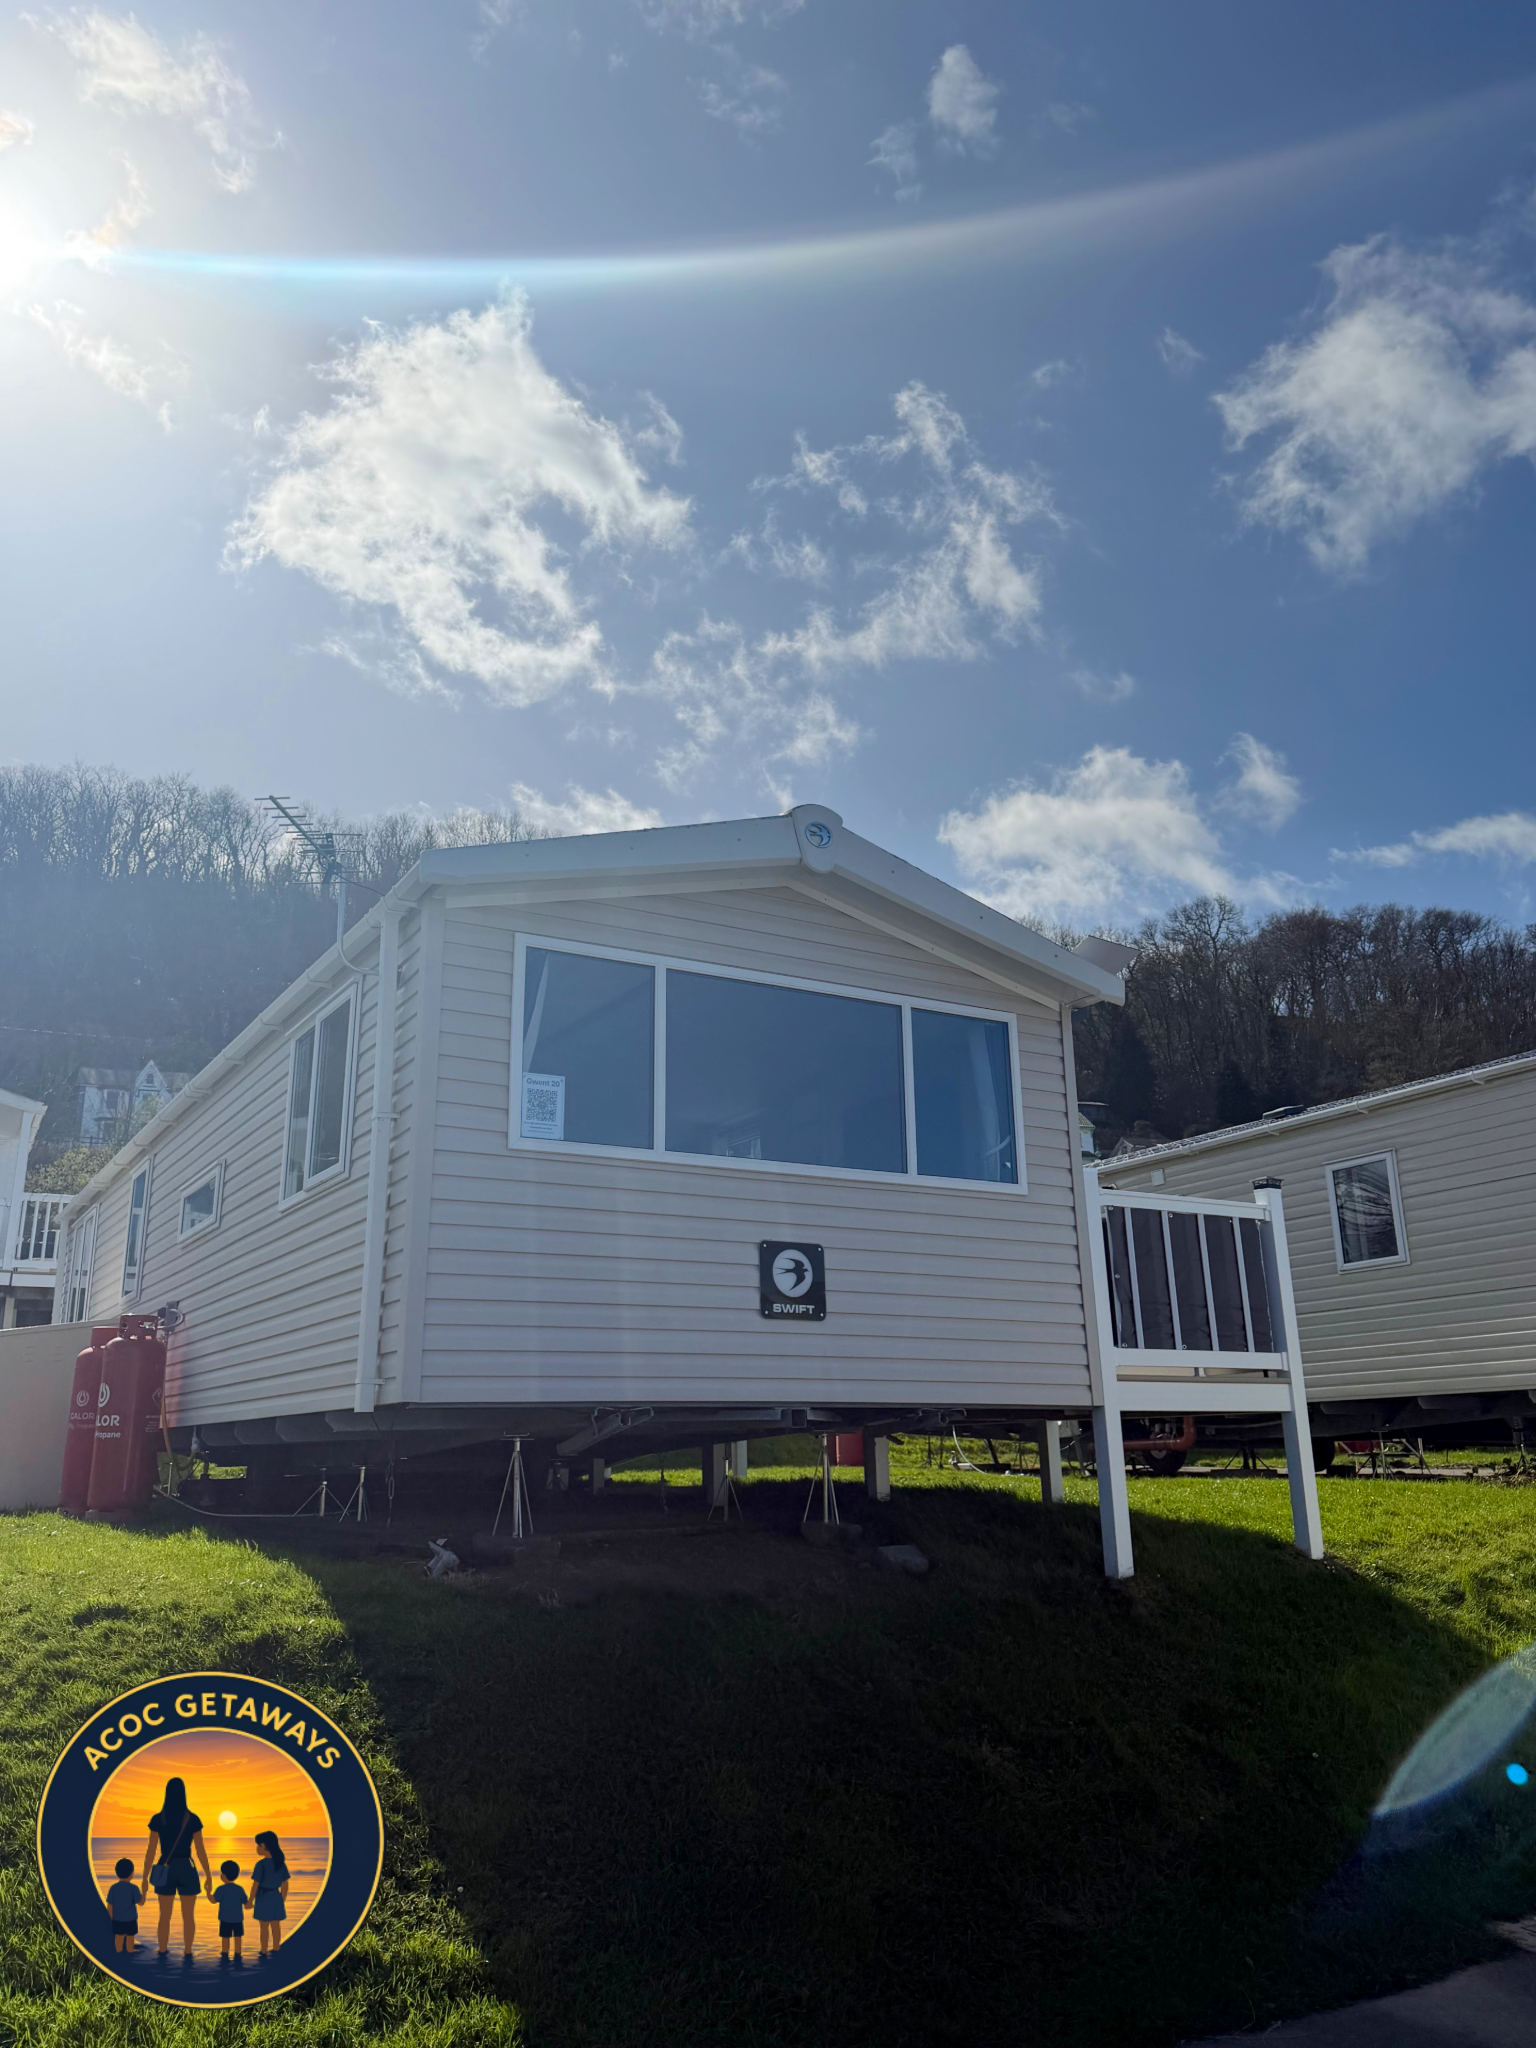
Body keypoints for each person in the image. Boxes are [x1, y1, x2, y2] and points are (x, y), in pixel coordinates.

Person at [140, 1775, 211, 1958]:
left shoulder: (159, 1819)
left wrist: (144, 1879)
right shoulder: (192, 1819)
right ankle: (188, 1953)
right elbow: (200, 1851)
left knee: (164, 1916)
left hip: (165, 1868)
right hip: (186, 1868)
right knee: (188, 1916)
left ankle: (163, 1952)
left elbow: (151, 1851)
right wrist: (209, 1876)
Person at [249, 1831, 289, 1953]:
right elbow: (285, 1884)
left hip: (263, 1896)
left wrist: (250, 1900)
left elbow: (255, 1884)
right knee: (275, 1925)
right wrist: (282, 1898)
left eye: (258, 1845)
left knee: (264, 1926)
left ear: (265, 1846)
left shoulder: (261, 1865)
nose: (257, 1848)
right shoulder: (280, 1863)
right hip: (276, 1896)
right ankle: (276, 1947)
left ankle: (264, 1949)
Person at [210, 1860, 247, 1960]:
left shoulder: (221, 1889)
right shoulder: (240, 1889)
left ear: (224, 1875)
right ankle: (238, 1954)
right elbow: (245, 1902)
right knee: (238, 1937)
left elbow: (213, 1900)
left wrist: (208, 1892)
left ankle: (225, 1954)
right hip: (238, 1919)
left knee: (225, 1938)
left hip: (225, 1919)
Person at [105, 1856, 142, 1954]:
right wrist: (144, 1892)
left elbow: (110, 1905)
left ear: (117, 1873)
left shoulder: (113, 1888)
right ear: (132, 1874)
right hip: (130, 1919)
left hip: (117, 1919)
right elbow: (140, 1902)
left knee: (119, 1936)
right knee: (130, 1936)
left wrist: (111, 1918)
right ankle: (130, 1949)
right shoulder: (134, 1888)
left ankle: (118, 1950)